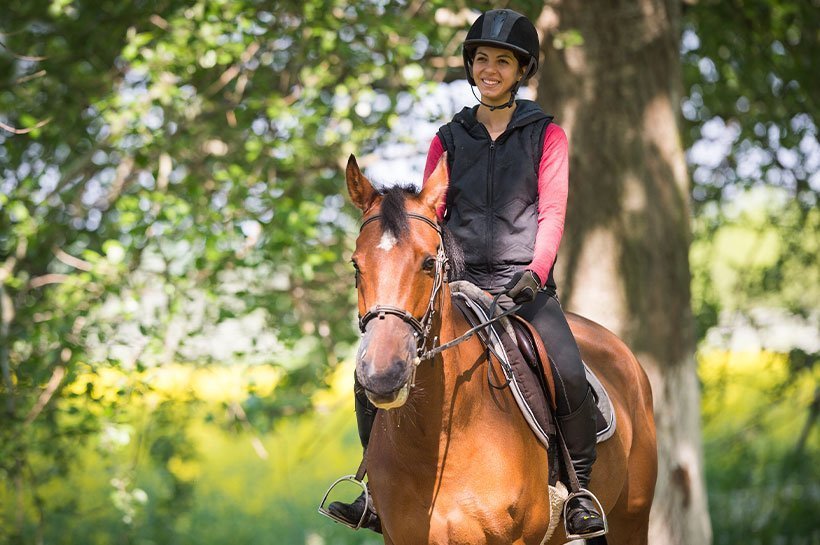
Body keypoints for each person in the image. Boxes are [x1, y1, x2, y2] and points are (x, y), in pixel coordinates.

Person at [328, 8, 606, 539]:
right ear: (471, 66)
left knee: (567, 368)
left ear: (520, 70)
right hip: (456, 282)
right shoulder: (448, 138)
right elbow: (433, 210)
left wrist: (536, 272)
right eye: (482, 59)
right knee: (374, 369)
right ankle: (373, 490)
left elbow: (552, 213)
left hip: (524, 286)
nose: (490, 69)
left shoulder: (546, 136)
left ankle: (579, 491)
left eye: (503, 61)